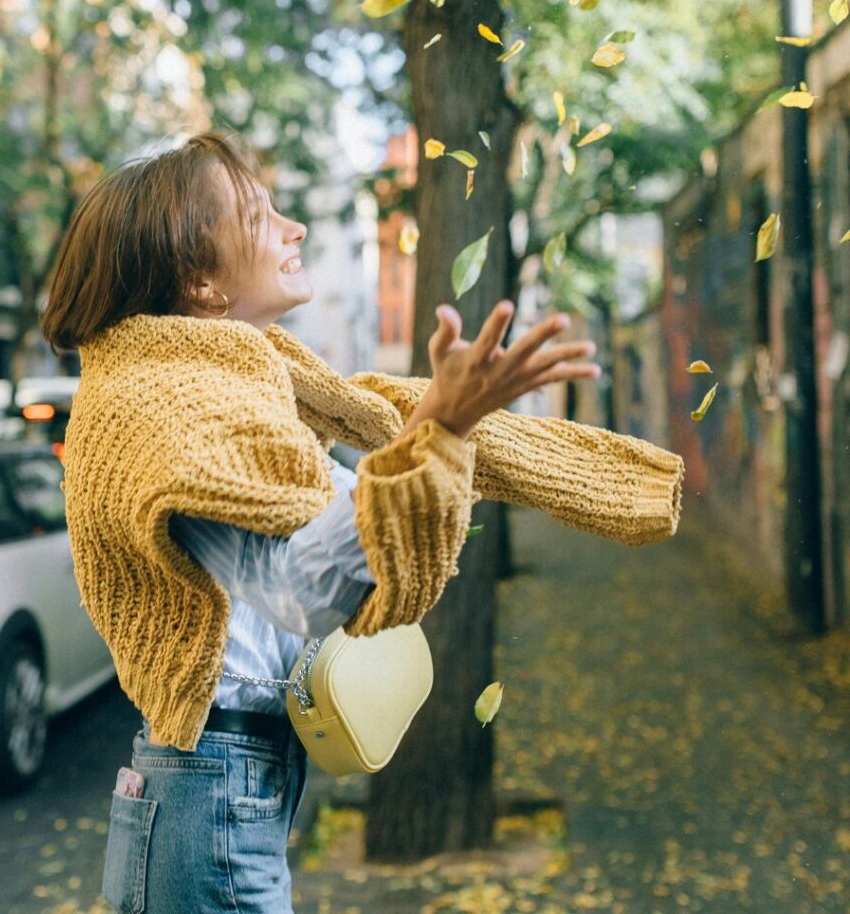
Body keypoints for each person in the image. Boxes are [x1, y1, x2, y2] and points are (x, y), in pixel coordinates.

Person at [38, 132, 612, 914]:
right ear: (199, 279)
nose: (292, 227)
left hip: (221, 786)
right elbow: (311, 586)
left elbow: (348, 507)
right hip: (212, 795)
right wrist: (437, 433)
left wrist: (442, 435)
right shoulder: (173, 414)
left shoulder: (212, 394)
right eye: (256, 214)